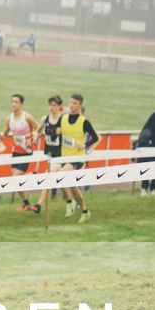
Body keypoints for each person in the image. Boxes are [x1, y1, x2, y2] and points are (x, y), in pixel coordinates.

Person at [58, 94, 101, 222]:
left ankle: (70, 203)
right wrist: (57, 132)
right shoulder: (63, 118)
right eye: (70, 102)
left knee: (60, 175)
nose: (72, 105)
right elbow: (60, 135)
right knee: (72, 186)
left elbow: (95, 138)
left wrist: (86, 144)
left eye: (75, 103)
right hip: (64, 156)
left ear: (80, 105)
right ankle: (85, 210)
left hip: (78, 157)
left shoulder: (84, 122)